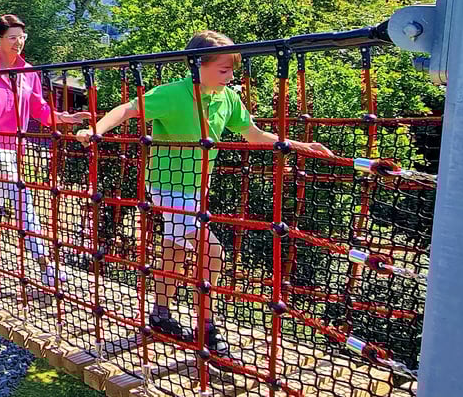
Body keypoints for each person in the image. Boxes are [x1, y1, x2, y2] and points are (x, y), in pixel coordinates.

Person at [76, 30, 333, 357]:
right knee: (212, 253)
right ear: (198, 66)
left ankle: (160, 314)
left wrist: (298, 145)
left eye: (231, 71)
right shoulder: (171, 94)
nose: (229, 76)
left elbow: (253, 134)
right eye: (223, 70)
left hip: (197, 188)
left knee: (175, 251)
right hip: (169, 186)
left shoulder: (227, 99)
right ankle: (207, 326)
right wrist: (95, 130)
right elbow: (127, 109)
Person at [0, 14, 91, 286]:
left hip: (12, 151)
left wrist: (64, 118)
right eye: (12, 37)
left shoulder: (29, 73)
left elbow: (39, 109)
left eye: (21, 37)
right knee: (22, 198)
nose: (18, 42)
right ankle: (45, 264)